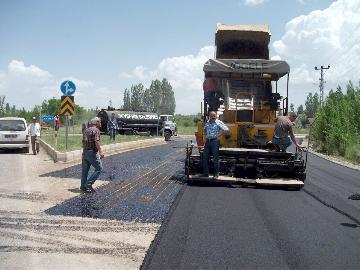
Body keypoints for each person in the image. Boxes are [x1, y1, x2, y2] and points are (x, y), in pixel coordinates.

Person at [203, 111, 229, 179]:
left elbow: (226, 129)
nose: (213, 117)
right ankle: (206, 173)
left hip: (215, 141)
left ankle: (216, 174)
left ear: (216, 116)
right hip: (207, 142)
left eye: (214, 116)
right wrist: (205, 136)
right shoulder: (207, 122)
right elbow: (204, 130)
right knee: (205, 157)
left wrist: (219, 135)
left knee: (215, 158)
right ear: (209, 116)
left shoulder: (219, 122)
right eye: (212, 116)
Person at [81, 117, 104, 193]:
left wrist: (83, 153)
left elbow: (83, 141)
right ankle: (88, 184)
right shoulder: (96, 130)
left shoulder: (86, 130)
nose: (101, 123)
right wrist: (100, 151)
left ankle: (83, 186)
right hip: (92, 153)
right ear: (97, 122)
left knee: (85, 170)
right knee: (99, 168)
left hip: (85, 152)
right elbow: (96, 141)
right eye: (100, 122)